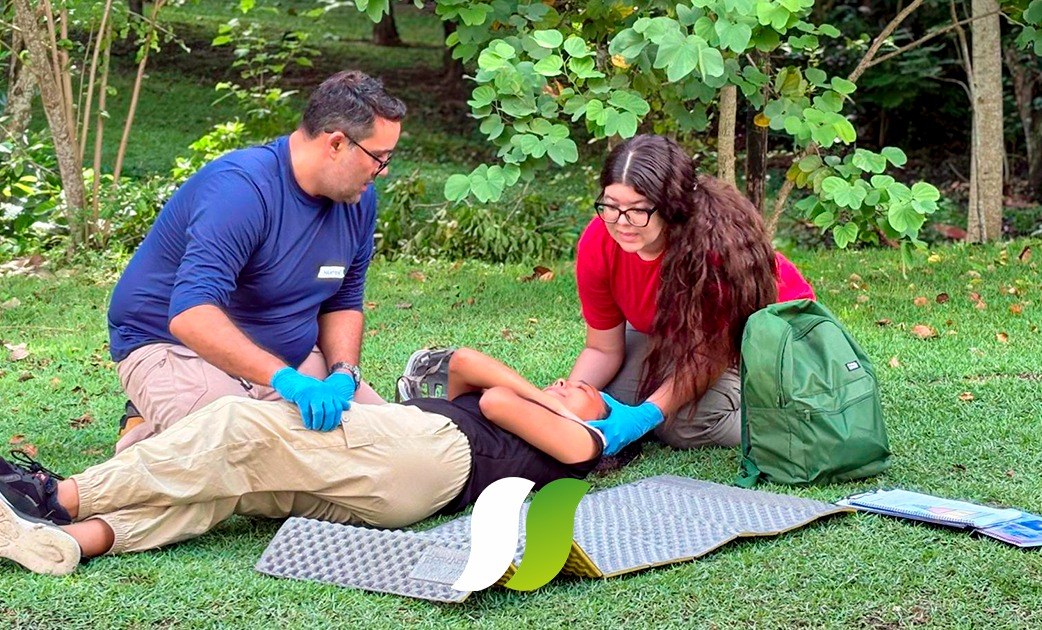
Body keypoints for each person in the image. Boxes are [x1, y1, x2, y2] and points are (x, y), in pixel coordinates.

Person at [0, 348, 615, 576]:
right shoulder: (542, 418)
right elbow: (466, 363)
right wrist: (556, 395)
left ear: (598, 420)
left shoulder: (581, 445)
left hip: (431, 454)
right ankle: (74, 541)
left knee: (239, 426)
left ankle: (60, 497)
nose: (564, 381)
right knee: (234, 488)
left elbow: (502, 397)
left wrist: (567, 409)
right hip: (400, 487)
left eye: (579, 388)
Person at [106, 70, 405, 453]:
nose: (383, 171)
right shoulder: (241, 190)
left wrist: (344, 374)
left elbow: (343, 301)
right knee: (245, 456)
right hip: (175, 346)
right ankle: (145, 438)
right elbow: (190, 313)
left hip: (283, 354)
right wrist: (287, 382)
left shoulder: (357, 200)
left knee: (392, 445)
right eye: (378, 158)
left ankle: (183, 426)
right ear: (336, 143)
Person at [569, 134, 816, 454]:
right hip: (681, 340)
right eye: (611, 206)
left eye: (638, 210)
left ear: (672, 206)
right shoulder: (598, 241)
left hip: (764, 345)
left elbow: (708, 356)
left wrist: (646, 415)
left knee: (683, 424)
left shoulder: (711, 252)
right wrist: (568, 404)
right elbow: (603, 351)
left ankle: (791, 420)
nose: (621, 222)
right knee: (610, 395)